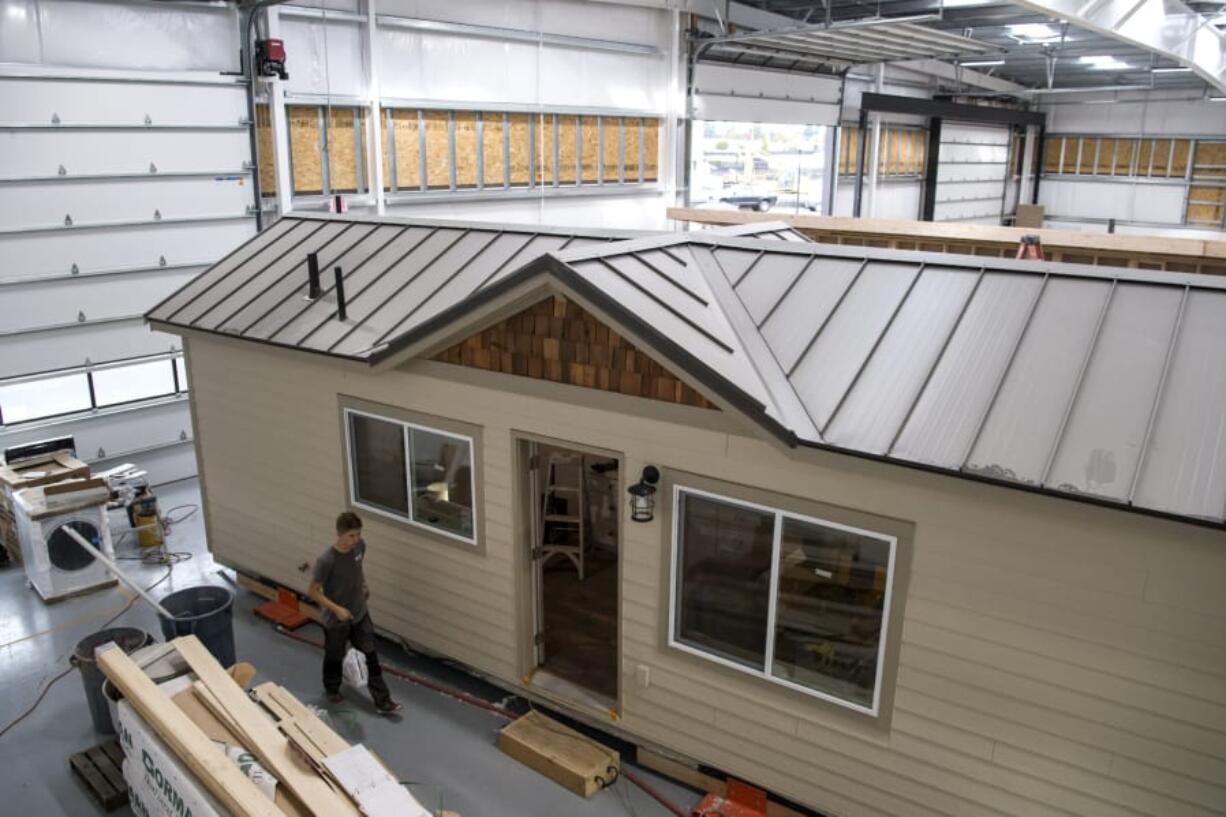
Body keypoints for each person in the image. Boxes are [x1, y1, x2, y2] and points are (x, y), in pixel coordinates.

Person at [308, 511, 402, 714]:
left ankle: (383, 701)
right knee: (334, 656)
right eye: (351, 535)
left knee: (371, 657)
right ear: (339, 534)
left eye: (358, 534)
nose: (356, 539)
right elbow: (313, 591)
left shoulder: (360, 547)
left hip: (359, 613)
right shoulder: (326, 560)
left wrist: (364, 584)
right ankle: (332, 688)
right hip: (336, 620)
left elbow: (358, 567)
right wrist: (337, 609)